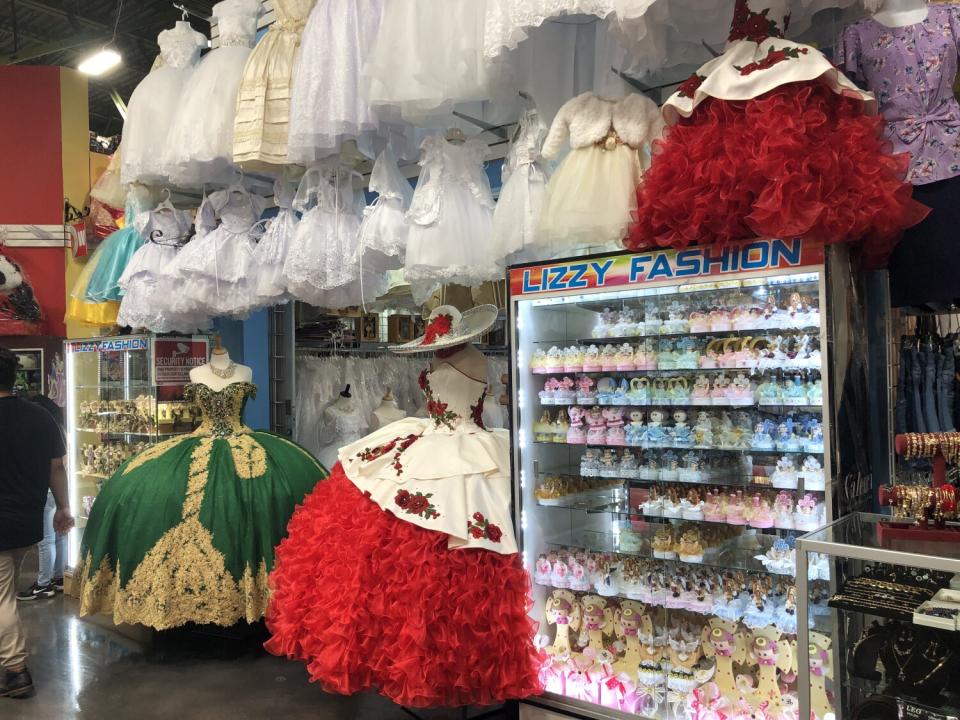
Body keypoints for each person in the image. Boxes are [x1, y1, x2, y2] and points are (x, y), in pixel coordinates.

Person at [0, 348, 73, 699]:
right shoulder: (39, 416)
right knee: (5, 588)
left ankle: (16, 670)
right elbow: (56, 467)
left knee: (2, 598)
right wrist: (63, 507)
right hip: (26, 520)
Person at [17, 393, 67, 601]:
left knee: (46, 540)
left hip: (44, 489)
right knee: (59, 535)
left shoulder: (36, 430)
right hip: (58, 489)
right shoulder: (59, 430)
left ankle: (44, 583)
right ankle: (58, 577)